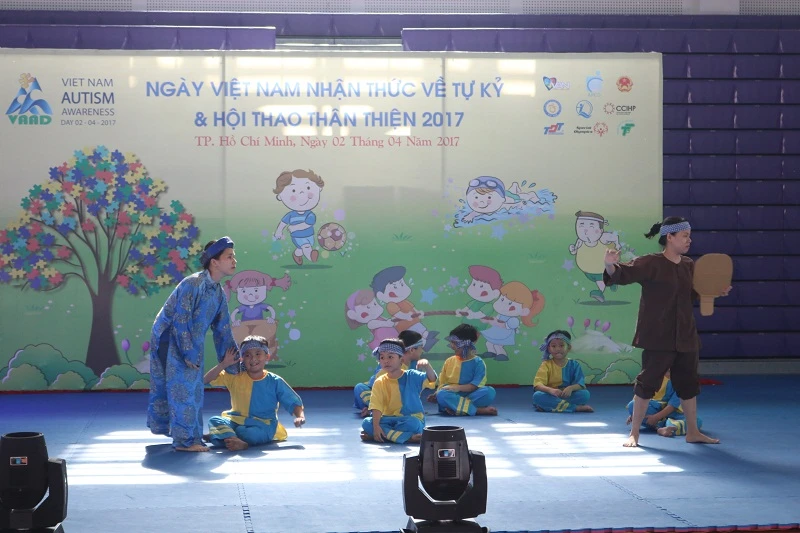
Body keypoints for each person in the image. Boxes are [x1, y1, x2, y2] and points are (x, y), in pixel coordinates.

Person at [603, 216, 730, 447]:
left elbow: (696, 294)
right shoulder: (650, 262)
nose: (689, 240)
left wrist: (715, 291)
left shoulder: (689, 265)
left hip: (686, 336)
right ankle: (634, 434)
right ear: (669, 237)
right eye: (685, 236)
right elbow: (622, 274)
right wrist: (610, 265)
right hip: (658, 336)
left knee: (688, 385)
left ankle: (693, 432)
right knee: (647, 384)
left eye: (689, 236)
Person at [146, 236, 239, 452]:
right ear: (214, 262)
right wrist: (188, 353)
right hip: (170, 338)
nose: (234, 261)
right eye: (229, 257)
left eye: (234, 256)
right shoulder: (192, 284)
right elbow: (181, 319)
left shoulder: (218, 293)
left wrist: (235, 362)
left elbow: (223, 328)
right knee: (183, 387)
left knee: (194, 387)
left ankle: (190, 436)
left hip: (190, 342)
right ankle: (185, 441)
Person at [203, 335, 305, 451]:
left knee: (249, 433)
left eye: (258, 354)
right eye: (247, 355)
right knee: (215, 420)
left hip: (263, 425)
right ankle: (234, 439)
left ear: (267, 357)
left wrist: (300, 417)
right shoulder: (234, 377)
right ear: (242, 358)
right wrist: (223, 364)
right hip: (236, 420)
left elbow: (293, 401)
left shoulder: (275, 381)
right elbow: (205, 380)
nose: (253, 359)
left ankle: (223, 436)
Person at [361, 338, 437, 444]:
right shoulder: (379, 382)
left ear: (401, 359)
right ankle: (408, 438)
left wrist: (427, 366)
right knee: (367, 423)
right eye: (382, 357)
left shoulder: (412, 376)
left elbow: (432, 379)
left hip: (410, 418)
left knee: (413, 424)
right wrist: (376, 426)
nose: (385, 361)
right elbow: (376, 406)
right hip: (388, 419)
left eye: (390, 357)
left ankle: (380, 435)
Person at [353, 330, 432, 418]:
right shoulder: (389, 366)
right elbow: (377, 387)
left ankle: (378, 410)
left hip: (398, 399)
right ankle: (375, 409)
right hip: (379, 393)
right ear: (412, 350)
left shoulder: (416, 365)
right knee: (360, 388)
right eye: (421, 347)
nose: (422, 350)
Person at [428, 324, 498, 416]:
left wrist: (457, 388)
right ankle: (477, 410)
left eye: (455, 343)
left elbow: (474, 386)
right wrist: (436, 394)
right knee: (442, 395)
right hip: (452, 394)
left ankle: (456, 407)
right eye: (451, 342)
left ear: (468, 344)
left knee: (489, 392)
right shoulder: (449, 361)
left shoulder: (478, 363)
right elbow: (442, 383)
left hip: (470, 394)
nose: (452, 346)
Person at [625, 370, 702, 438]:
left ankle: (664, 427)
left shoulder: (680, 382)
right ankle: (664, 427)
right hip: (655, 409)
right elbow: (640, 398)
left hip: (674, 414)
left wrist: (656, 417)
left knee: (696, 421)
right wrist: (636, 413)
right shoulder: (651, 377)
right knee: (633, 405)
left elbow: (672, 406)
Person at [533, 330, 593, 413]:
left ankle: (549, 406)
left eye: (561, 346)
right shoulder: (546, 365)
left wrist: (570, 388)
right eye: (553, 346)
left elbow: (581, 385)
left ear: (568, 348)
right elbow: (537, 385)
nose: (558, 349)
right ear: (549, 349)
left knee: (585, 394)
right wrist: (551, 390)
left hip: (567, 395)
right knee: (537, 396)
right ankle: (574, 408)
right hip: (551, 395)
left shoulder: (574, 364)